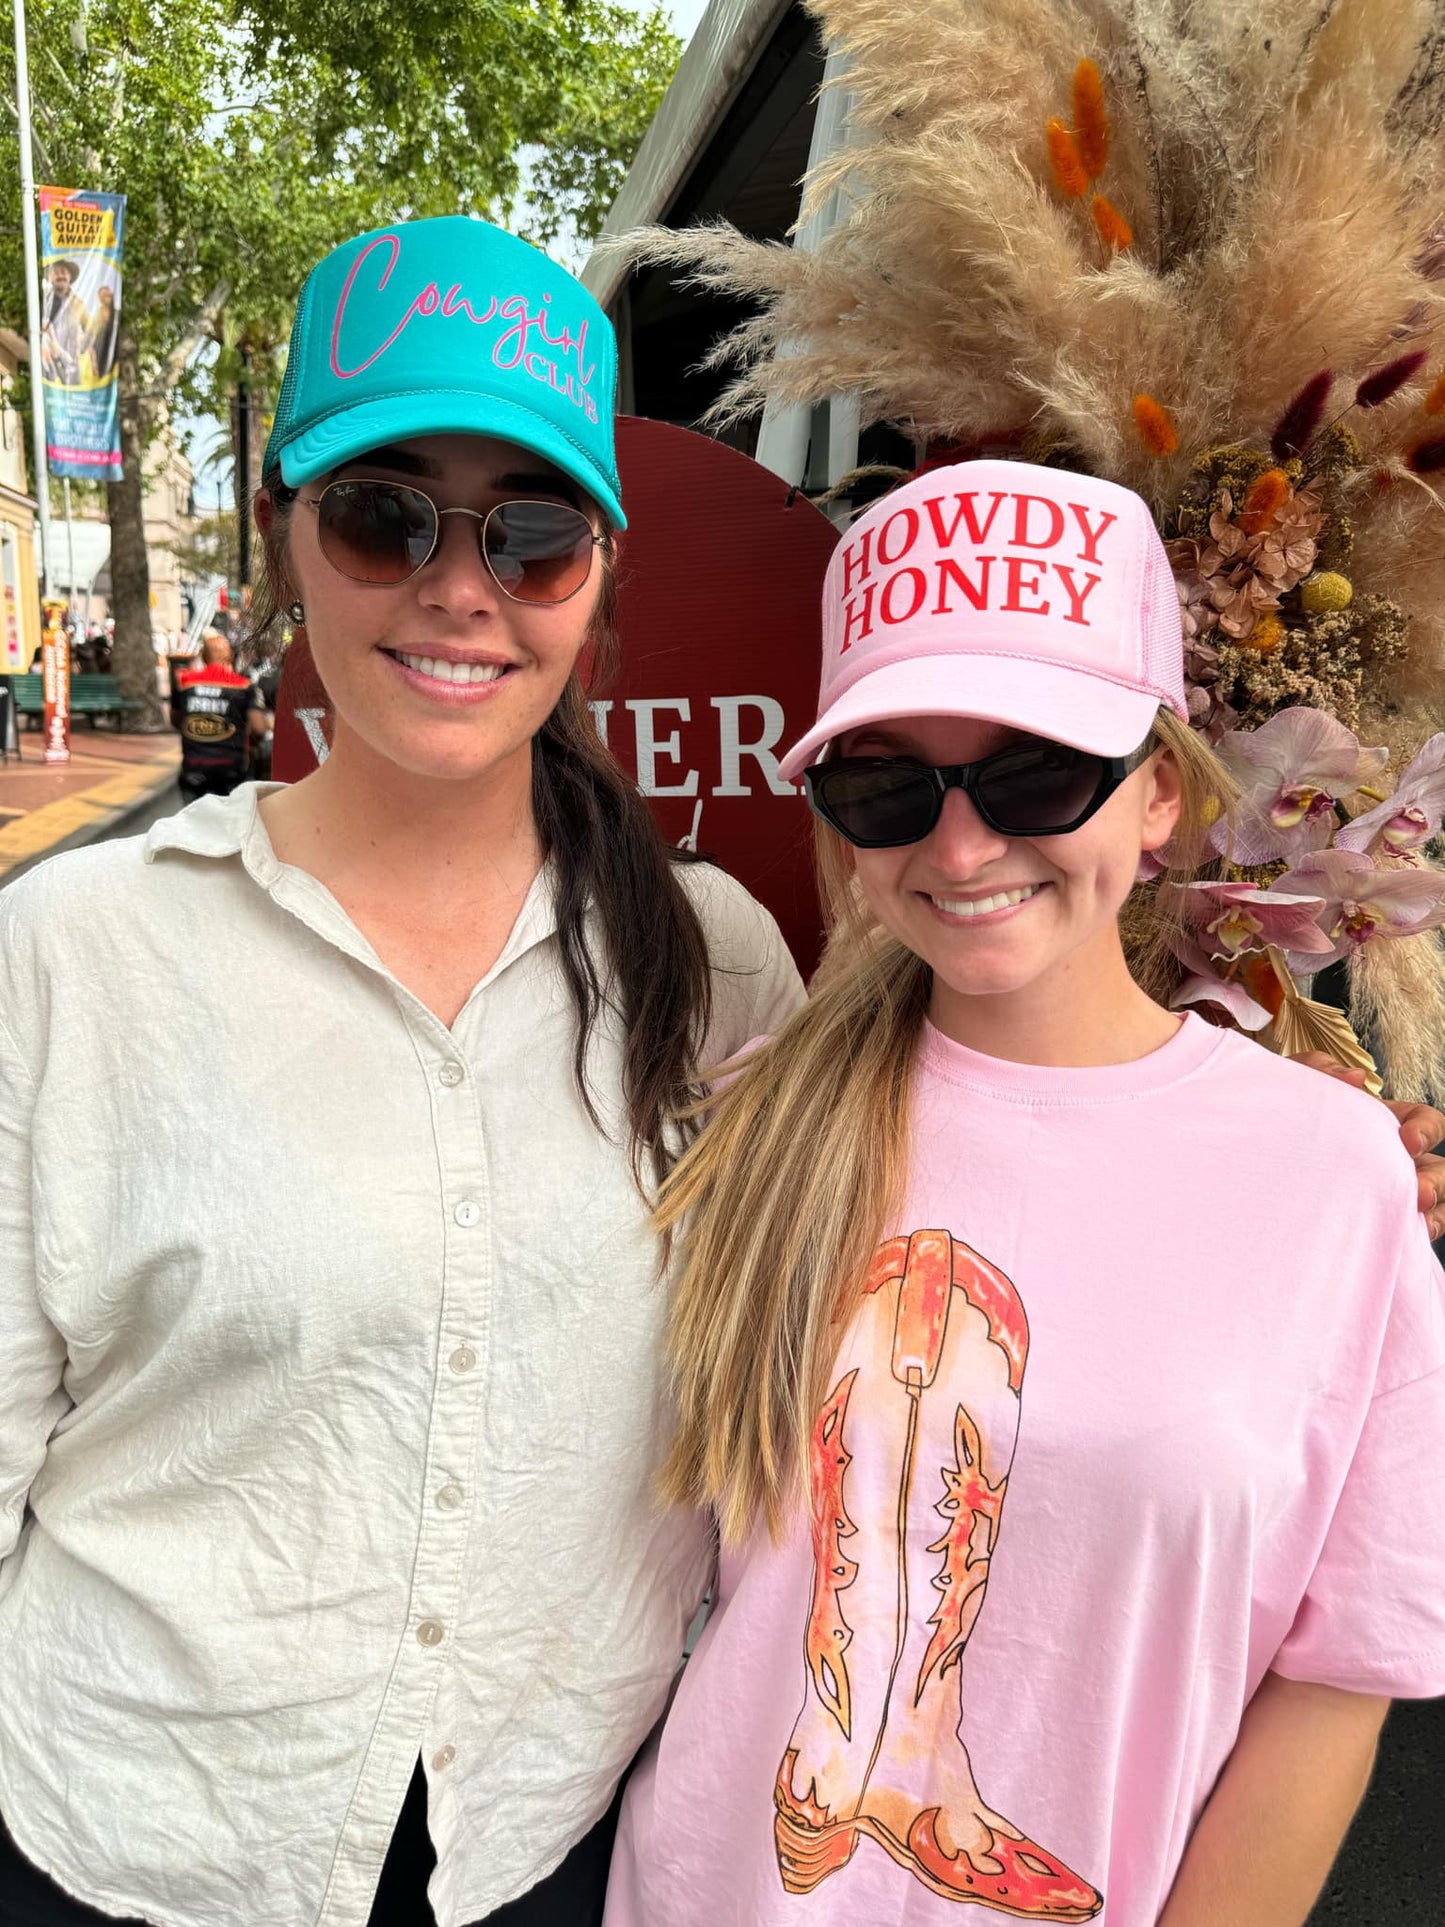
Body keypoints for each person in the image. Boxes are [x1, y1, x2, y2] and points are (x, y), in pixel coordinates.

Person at [0, 217, 803, 1927]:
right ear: (289, 532)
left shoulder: (721, 960)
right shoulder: (72, 952)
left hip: (553, 1837)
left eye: (531, 533)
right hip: (137, 1837)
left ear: (596, 571)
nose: (460, 589)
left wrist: (1279, 1134)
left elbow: (938, 1250)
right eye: (383, 514)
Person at [606, 462, 1445, 1927]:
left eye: (1036, 769)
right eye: (886, 782)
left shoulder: (1329, 1173)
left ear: (1160, 792)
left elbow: (1340, 1673)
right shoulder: (755, 1124)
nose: (962, 841)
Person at [172, 630, 268, 799]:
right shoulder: (245, 686)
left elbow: (176, 719)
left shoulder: (184, 682)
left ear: (203, 657)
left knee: (193, 820)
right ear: (230, 656)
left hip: (194, 767)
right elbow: (259, 729)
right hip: (231, 768)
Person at [39, 262, 89, 388]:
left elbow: (89, 331)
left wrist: (81, 350)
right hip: (48, 362)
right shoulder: (42, 302)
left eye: (64, 272)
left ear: (70, 277)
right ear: (50, 277)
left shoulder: (79, 304)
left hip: (71, 363)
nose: (60, 276)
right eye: (56, 273)